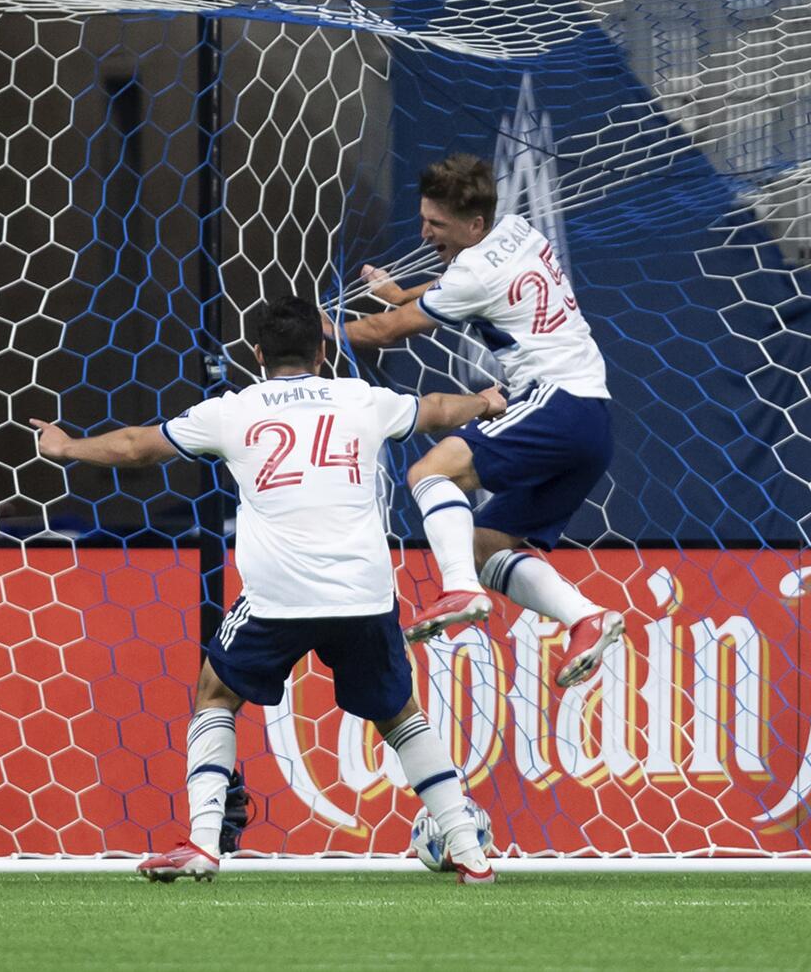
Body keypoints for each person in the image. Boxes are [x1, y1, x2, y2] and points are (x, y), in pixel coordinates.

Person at [32, 296, 508, 884]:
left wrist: (65, 446)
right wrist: (483, 402)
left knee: (215, 693)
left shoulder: (232, 409)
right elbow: (435, 408)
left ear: (257, 355)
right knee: (400, 716)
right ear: (324, 351)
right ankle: (471, 853)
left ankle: (204, 844)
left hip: (277, 595)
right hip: (363, 590)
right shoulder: (361, 399)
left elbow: (135, 446)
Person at [337, 154, 621, 689]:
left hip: (557, 405)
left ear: (473, 225)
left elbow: (390, 330)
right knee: (484, 543)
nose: (424, 235)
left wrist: (325, 334)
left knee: (429, 474)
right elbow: (453, 289)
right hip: (593, 423)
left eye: (436, 225)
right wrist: (401, 293)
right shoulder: (517, 229)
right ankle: (587, 617)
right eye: (422, 219)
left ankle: (461, 592)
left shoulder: (470, 274)